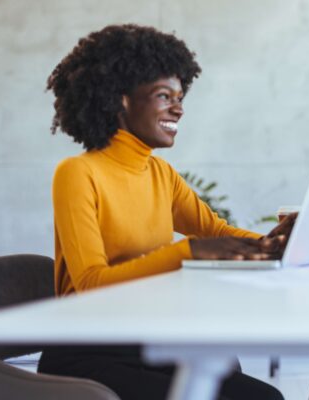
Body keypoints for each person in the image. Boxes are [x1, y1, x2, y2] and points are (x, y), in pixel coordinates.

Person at [38, 24, 288, 400]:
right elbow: (90, 283)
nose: (179, 108)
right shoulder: (78, 173)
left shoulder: (159, 172)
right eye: (163, 95)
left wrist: (277, 242)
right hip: (88, 349)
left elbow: (212, 230)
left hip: (146, 338)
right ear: (121, 100)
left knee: (265, 397)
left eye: (180, 96)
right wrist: (186, 253)